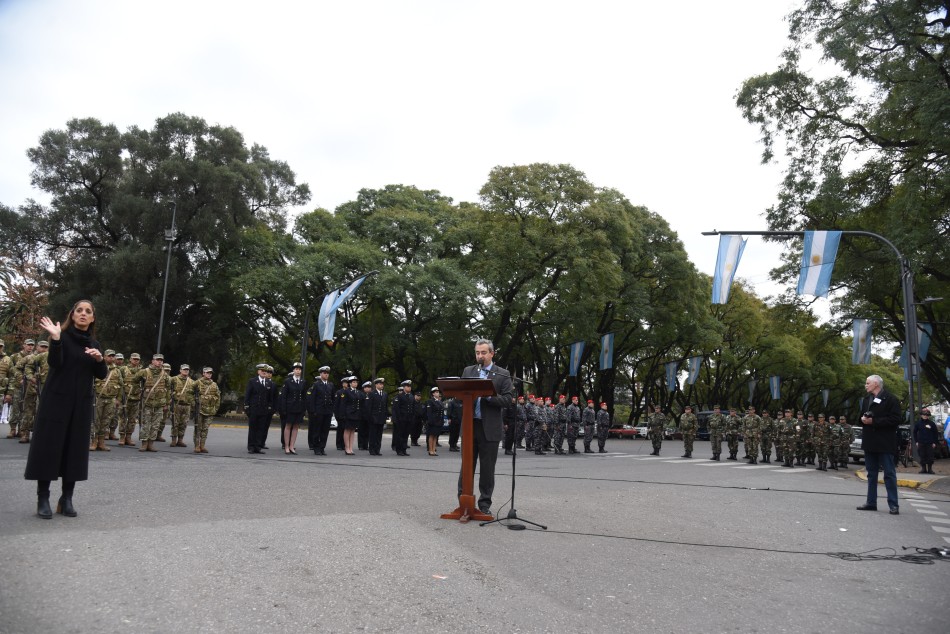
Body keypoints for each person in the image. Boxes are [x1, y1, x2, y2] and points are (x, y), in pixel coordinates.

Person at [24, 300, 108, 519]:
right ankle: (43, 498)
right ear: (72, 315)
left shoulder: (94, 344)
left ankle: (66, 499)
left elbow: (101, 375)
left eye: (88, 311)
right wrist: (56, 339)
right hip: (55, 403)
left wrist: (99, 360)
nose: (83, 314)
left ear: (92, 319)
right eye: (79, 310)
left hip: (80, 405)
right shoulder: (61, 337)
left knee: (74, 451)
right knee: (49, 449)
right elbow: (55, 363)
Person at [458, 339, 514, 519]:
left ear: (492, 353)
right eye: (477, 353)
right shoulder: (469, 371)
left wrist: (488, 397)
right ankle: (463, 501)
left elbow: (507, 400)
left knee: (487, 468)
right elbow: (460, 393)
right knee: (466, 466)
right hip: (469, 425)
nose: (480, 356)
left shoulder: (502, 374)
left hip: (489, 427)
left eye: (483, 352)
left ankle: (484, 504)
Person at [856, 374, 901, 515]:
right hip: (870, 442)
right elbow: (860, 418)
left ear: (876, 384)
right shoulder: (866, 399)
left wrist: (874, 421)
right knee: (871, 474)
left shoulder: (891, 399)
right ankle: (871, 502)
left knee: (889, 474)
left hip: (885, 442)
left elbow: (895, 420)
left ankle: (893, 505)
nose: (865, 385)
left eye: (867, 382)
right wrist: (863, 419)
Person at [244, 363, 276, 453]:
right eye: (262, 371)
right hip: (254, 408)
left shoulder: (269, 383)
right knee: (253, 428)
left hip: (264, 409)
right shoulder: (252, 381)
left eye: (265, 371)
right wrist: (247, 406)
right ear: (258, 371)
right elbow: (248, 395)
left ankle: (258, 446)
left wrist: (269, 407)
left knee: (261, 429)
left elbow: (270, 398)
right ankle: (251, 446)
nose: (264, 372)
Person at [280, 362, 307, 454]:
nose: (298, 371)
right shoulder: (288, 381)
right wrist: (283, 409)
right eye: (296, 369)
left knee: (296, 427)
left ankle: (292, 446)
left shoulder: (303, 382)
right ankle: (286, 446)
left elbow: (304, 397)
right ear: (293, 370)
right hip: (290, 407)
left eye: (299, 369)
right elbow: (284, 396)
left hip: (299, 408)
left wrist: (304, 409)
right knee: (288, 426)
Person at [306, 366, 335, 455]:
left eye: (327, 373)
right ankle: (316, 447)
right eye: (324, 373)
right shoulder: (316, 384)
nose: (326, 375)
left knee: (325, 430)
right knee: (317, 430)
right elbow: (312, 399)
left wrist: (331, 409)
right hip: (318, 411)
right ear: (320, 374)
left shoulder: (330, 385)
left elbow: (333, 398)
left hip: (327, 411)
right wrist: (313, 411)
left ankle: (322, 447)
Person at [193, 367, 220, 453]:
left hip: (210, 410)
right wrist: (194, 404)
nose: (209, 374)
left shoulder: (214, 384)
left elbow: (218, 397)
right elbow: (190, 393)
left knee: (205, 429)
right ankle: (197, 446)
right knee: (198, 428)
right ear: (203, 373)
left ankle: (202, 445)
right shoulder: (197, 382)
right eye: (207, 373)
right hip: (199, 410)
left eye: (210, 373)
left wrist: (215, 408)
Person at [913, 408, 939, 474]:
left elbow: (936, 433)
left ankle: (930, 469)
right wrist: (916, 441)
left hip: (930, 443)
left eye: (927, 415)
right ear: (921, 415)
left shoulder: (932, 423)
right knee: (922, 456)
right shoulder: (918, 424)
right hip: (921, 443)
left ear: (928, 416)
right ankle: (923, 469)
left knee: (930, 456)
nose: (925, 416)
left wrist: (934, 442)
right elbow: (914, 432)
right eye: (924, 414)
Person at [367, 378, 388, 456]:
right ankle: (372, 449)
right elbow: (369, 407)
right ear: (376, 385)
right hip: (373, 417)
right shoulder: (372, 393)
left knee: (379, 435)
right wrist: (370, 417)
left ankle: (377, 449)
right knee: (373, 434)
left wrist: (385, 416)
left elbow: (385, 406)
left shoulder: (385, 394)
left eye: (382, 384)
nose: (381, 385)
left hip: (381, 417)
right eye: (380, 384)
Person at [425, 386, 444, 456]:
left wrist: (441, 421)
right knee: (431, 435)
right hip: (433, 421)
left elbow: (441, 412)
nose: (438, 393)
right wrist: (430, 421)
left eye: (438, 392)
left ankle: (434, 449)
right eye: (436, 392)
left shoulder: (439, 401)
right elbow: (429, 413)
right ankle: (430, 450)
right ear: (433, 394)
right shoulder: (430, 401)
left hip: (438, 422)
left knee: (435, 436)